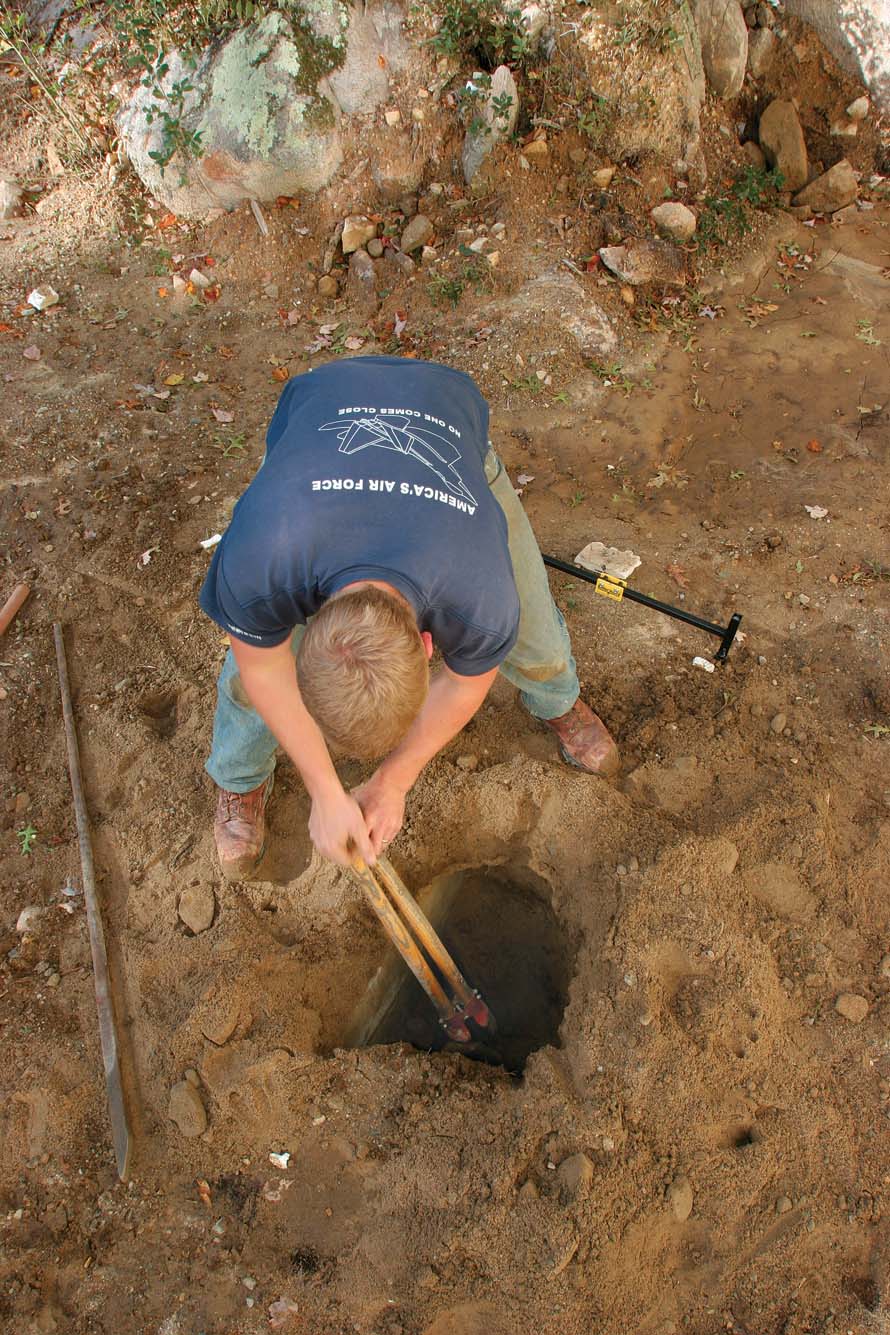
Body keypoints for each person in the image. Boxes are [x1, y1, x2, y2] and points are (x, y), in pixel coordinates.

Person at [200, 356, 619, 878]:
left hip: (445, 431)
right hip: (316, 427)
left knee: (537, 643)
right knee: (245, 678)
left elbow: (466, 685)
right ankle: (240, 777)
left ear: (427, 645)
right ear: (302, 631)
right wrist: (325, 791)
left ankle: (558, 700)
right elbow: (264, 669)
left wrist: (392, 781)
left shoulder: (481, 592)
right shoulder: (262, 555)